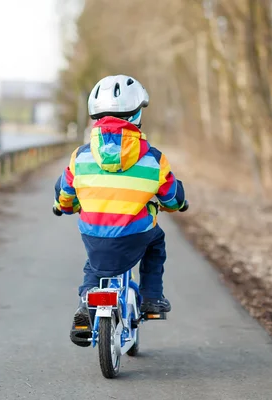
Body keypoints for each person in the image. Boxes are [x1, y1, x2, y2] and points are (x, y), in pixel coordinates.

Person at [53, 75, 186, 347]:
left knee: (95, 263)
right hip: (135, 235)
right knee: (155, 243)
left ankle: (86, 303)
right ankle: (151, 298)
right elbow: (171, 196)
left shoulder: (80, 157)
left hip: (95, 234)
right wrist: (179, 203)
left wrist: (62, 206)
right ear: (137, 114)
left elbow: (66, 192)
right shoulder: (153, 158)